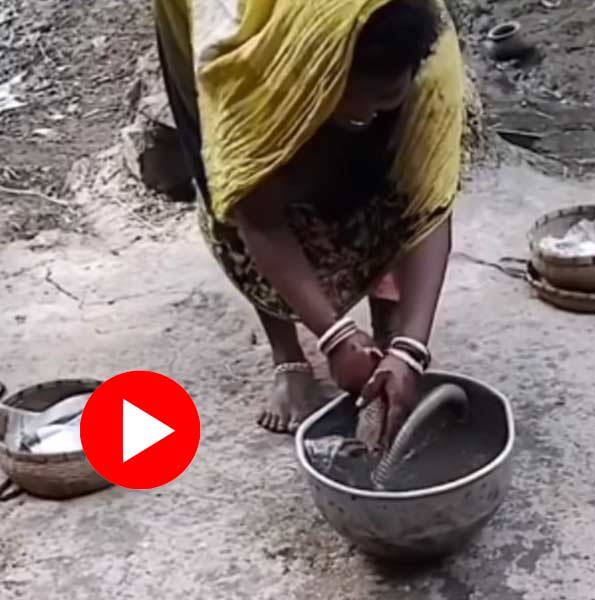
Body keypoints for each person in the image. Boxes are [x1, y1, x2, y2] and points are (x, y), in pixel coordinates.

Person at [153, 0, 477, 440]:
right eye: (349, 98)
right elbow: (257, 216)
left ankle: (389, 329)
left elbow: (429, 200)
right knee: (235, 183)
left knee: (382, 170)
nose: (364, 116)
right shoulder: (244, 65)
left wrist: (411, 347)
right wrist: (336, 337)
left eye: (384, 98)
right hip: (245, 28)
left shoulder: (430, 64)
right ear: (311, 74)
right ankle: (288, 357)